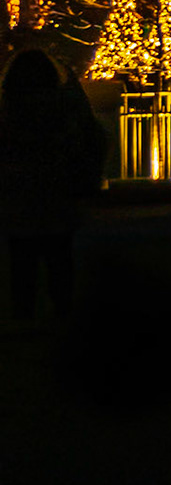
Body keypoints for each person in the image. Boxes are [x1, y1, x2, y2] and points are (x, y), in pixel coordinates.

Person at [0, 50, 106, 320]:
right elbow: (92, 138)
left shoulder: (8, 109)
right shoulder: (63, 108)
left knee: (22, 260)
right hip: (57, 195)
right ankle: (62, 311)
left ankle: (24, 313)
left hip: (18, 198)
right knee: (59, 257)